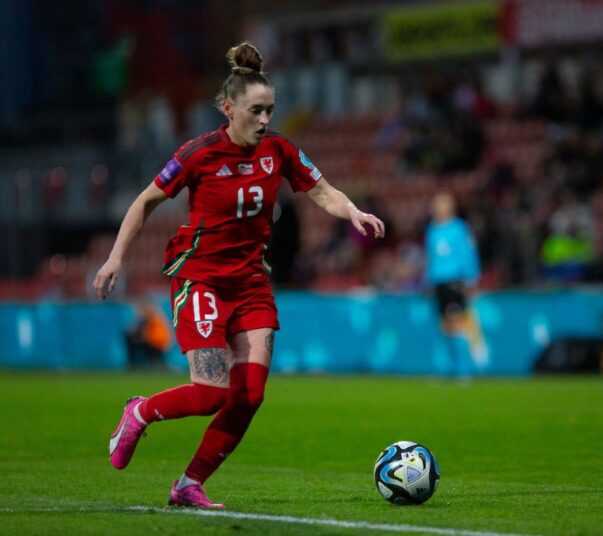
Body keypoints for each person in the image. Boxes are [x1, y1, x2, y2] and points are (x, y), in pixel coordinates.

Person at [93, 42, 385, 509]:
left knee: (248, 395)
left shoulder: (280, 149)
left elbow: (321, 189)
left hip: (250, 282)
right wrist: (114, 258)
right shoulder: (198, 153)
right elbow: (145, 200)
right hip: (200, 277)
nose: (265, 120)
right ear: (229, 108)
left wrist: (352, 211)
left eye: (270, 110)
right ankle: (140, 412)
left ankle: (189, 484)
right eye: (256, 111)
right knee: (211, 393)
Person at [424, 191, 485, 378]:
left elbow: (468, 254)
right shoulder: (432, 230)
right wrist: (428, 279)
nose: (438, 207)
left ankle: (463, 369)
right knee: (444, 326)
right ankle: (449, 367)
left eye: (443, 203)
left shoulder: (459, 229)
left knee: (457, 322)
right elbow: (431, 258)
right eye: (436, 203)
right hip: (438, 282)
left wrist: (472, 279)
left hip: (455, 280)